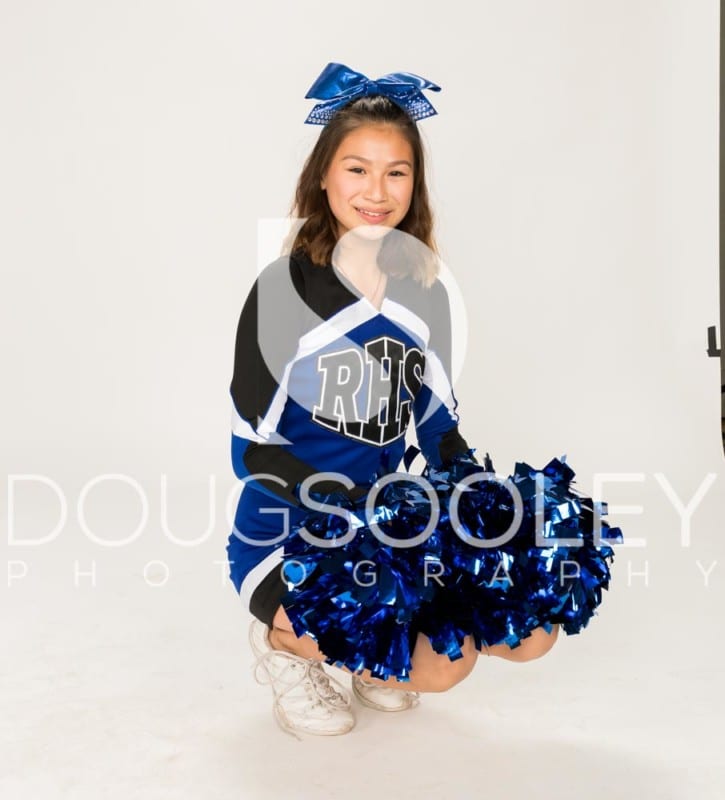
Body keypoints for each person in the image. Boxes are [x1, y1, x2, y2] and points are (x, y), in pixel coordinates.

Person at [226, 63, 620, 740]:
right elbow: (251, 453)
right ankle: (285, 644)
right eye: (356, 169)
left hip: (391, 532)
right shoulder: (283, 293)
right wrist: (349, 505)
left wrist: (484, 510)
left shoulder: (425, 292)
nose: (376, 192)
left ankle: (372, 649)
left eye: (396, 173)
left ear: (415, 184)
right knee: (442, 669)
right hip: (289, 533)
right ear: (323, 177)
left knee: (532, 633)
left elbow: (438, 431)